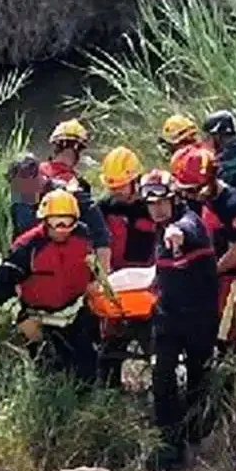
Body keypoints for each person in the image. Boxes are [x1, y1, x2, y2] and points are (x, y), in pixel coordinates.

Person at [140, 169, 219, 471]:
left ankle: (198, 433)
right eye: (151, 204)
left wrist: (178, 233)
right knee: (162, 377)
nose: (157, 209)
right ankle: (169, 445)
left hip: (198, 317)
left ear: (175, 199)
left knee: (199, 377)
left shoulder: (188, 223)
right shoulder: (161, 227)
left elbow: (186, 231)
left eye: (163, 202)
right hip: (169, 316)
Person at [0, 189, 99, 384]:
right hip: (40, 322)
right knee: (48, 379)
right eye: (56, 223)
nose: (62, 229)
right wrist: (23, 320)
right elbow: (0, 284)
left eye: (68, 223)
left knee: (88, 375)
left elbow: (89, 262)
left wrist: (94, 280)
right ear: (45, 220)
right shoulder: (28, 247)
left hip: (74, 316)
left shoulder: (82, 235)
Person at [171, 145, 236, 359]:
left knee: (223, 332)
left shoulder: (232, 205)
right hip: (221, 270)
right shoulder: (205, 198)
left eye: (193, 190)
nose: (189, 196)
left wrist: (208, 272)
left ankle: (232, 375)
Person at [95, 146, 157, 388]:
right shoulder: (104, 207)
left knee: (156, 342)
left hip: (149, 284)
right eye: (112, 187)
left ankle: (166, 389)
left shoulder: (154, 205)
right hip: (117, 285)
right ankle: (108, 391)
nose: (116, 192)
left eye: (121, 186)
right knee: (110, 343)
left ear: (134, 180)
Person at [7, 152, 111, 265]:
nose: (23, 193)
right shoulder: (20, 197)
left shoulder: (71, 194)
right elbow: (19, 234)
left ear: (38, 177)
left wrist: (102, 274)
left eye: (25, 187)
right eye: (18, 188)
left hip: (70, 260)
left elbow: (101, 236)